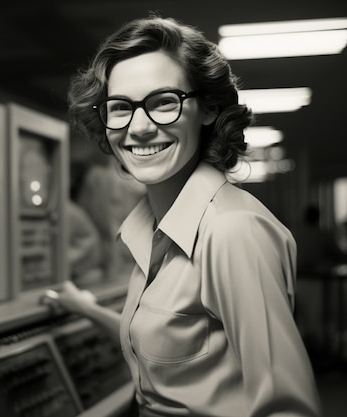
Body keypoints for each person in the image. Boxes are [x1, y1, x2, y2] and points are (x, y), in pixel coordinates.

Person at [43, 14, 321, 416]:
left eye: (163, 103)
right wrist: (86, 309)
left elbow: (288, 409)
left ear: (207, 109)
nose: (139, 128)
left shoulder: (232, 231)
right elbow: (171, 341)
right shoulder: (154, 227)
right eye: (120, 107)